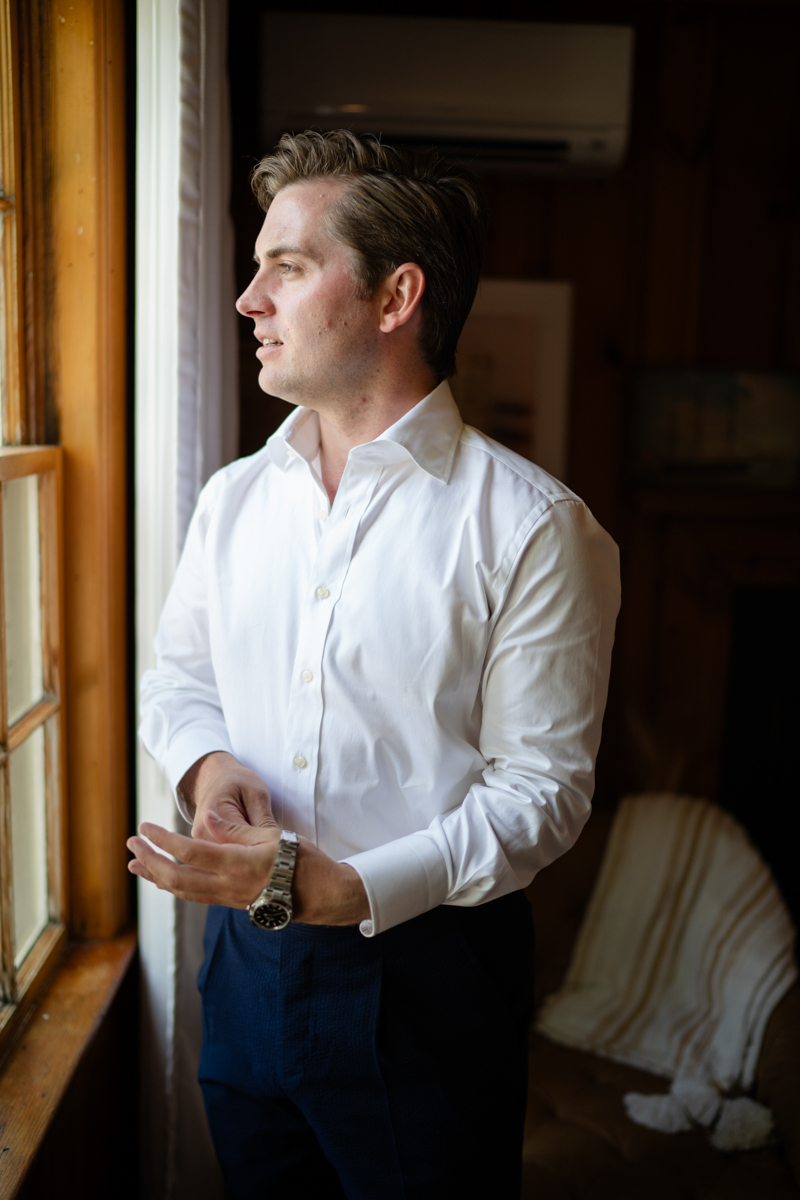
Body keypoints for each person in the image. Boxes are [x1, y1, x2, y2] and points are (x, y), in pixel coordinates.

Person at [130, 130, 620, 1200]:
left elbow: (542, 794)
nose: (247, 299)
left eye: (287, 268)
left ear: (395, 296)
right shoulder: (232, 500)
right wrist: (208, 767)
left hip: (428, 986)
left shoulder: (535, 529)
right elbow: (177, 680)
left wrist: (347, 886)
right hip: (244, 971)